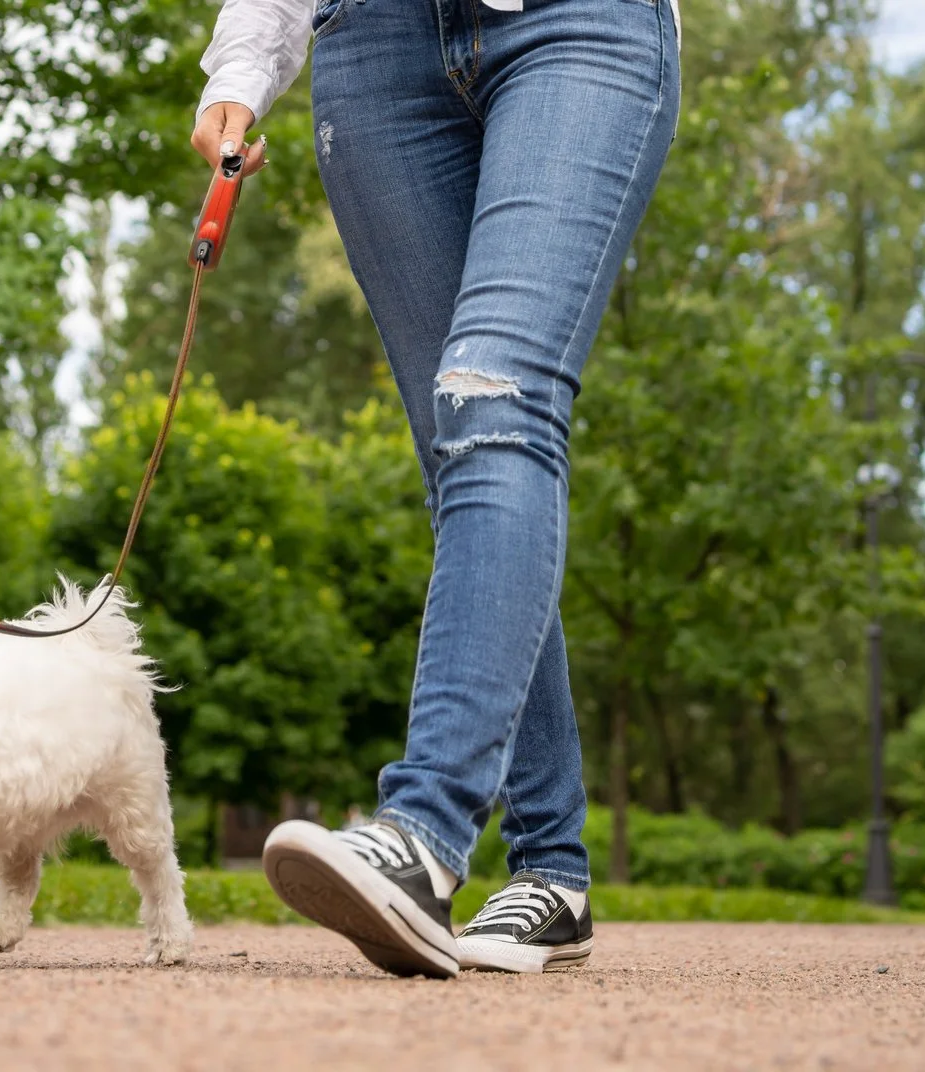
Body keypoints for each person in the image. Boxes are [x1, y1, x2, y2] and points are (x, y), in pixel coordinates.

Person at [191, 0, 680, 977]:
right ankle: (552, 870)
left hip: (574, 28)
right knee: (465, 456)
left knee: (492, 400)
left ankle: (424, 829)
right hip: (372, 50)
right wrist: (242, 65)